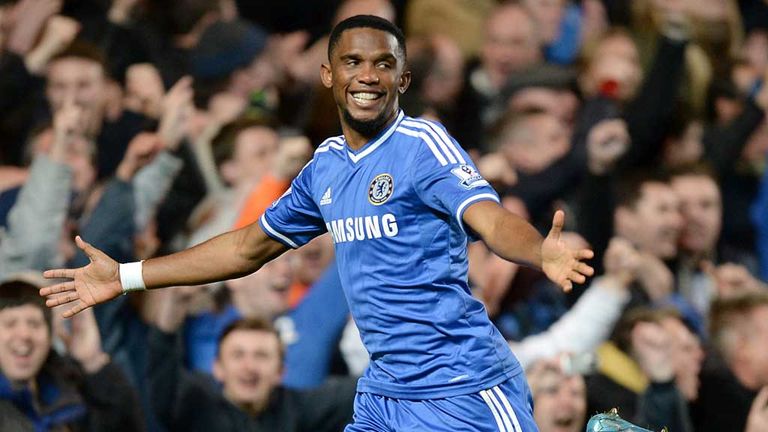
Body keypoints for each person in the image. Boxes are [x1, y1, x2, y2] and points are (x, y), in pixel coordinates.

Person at [41, 15, 594, 431]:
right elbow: (246, 249)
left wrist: (538, 251)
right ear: (329, 74)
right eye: (353, 62)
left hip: (464, 389)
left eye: (384, 64)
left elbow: (490, 220)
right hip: (384, 395)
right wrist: (127, 276)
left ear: (402, 79)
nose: (368, 76)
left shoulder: (422, 144)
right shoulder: (325, 166)